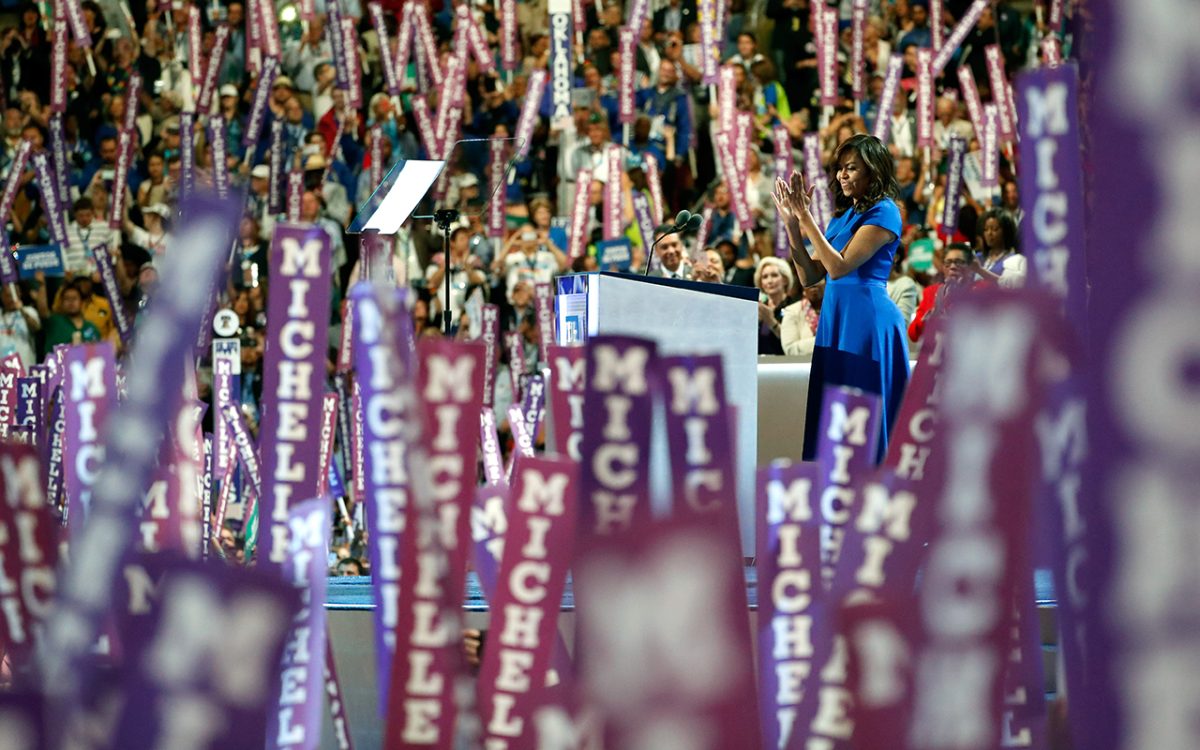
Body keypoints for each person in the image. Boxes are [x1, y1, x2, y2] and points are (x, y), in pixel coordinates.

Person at [775, 133, 910, 462]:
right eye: (839, 168)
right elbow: (810, 277)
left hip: (867, 324)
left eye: (851, 168)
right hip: (837, 321)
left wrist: (807, 218)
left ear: (872, 171)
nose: (842, 175)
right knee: (835, 417)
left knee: (864, 416)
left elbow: (838, 267)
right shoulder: (842, 217)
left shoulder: (885, 211)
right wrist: (793, 227)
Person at [972, 208, 1026, 288]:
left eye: (994, 229)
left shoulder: (1015, 260)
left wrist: (980, 270)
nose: (989, 233)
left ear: (1006, 231)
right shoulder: (978, 257)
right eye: (986, 229)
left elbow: (1008, 285)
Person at [755, 256, 795, 355]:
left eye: (774, 275)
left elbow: (792, 342)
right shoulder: (758, 307)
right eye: (765, 277)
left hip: (785, 363)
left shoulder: (794, 306)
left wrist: (771, 321)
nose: (769, 281)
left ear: (785, 279)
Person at [44, 282, 103, 348]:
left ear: (82, 302)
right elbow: (43, 311)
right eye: (67, 298)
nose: (71, 301)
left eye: (74, 298)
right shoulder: (54, 322)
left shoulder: (92, 327)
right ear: (62, 303)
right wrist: (42, 285)